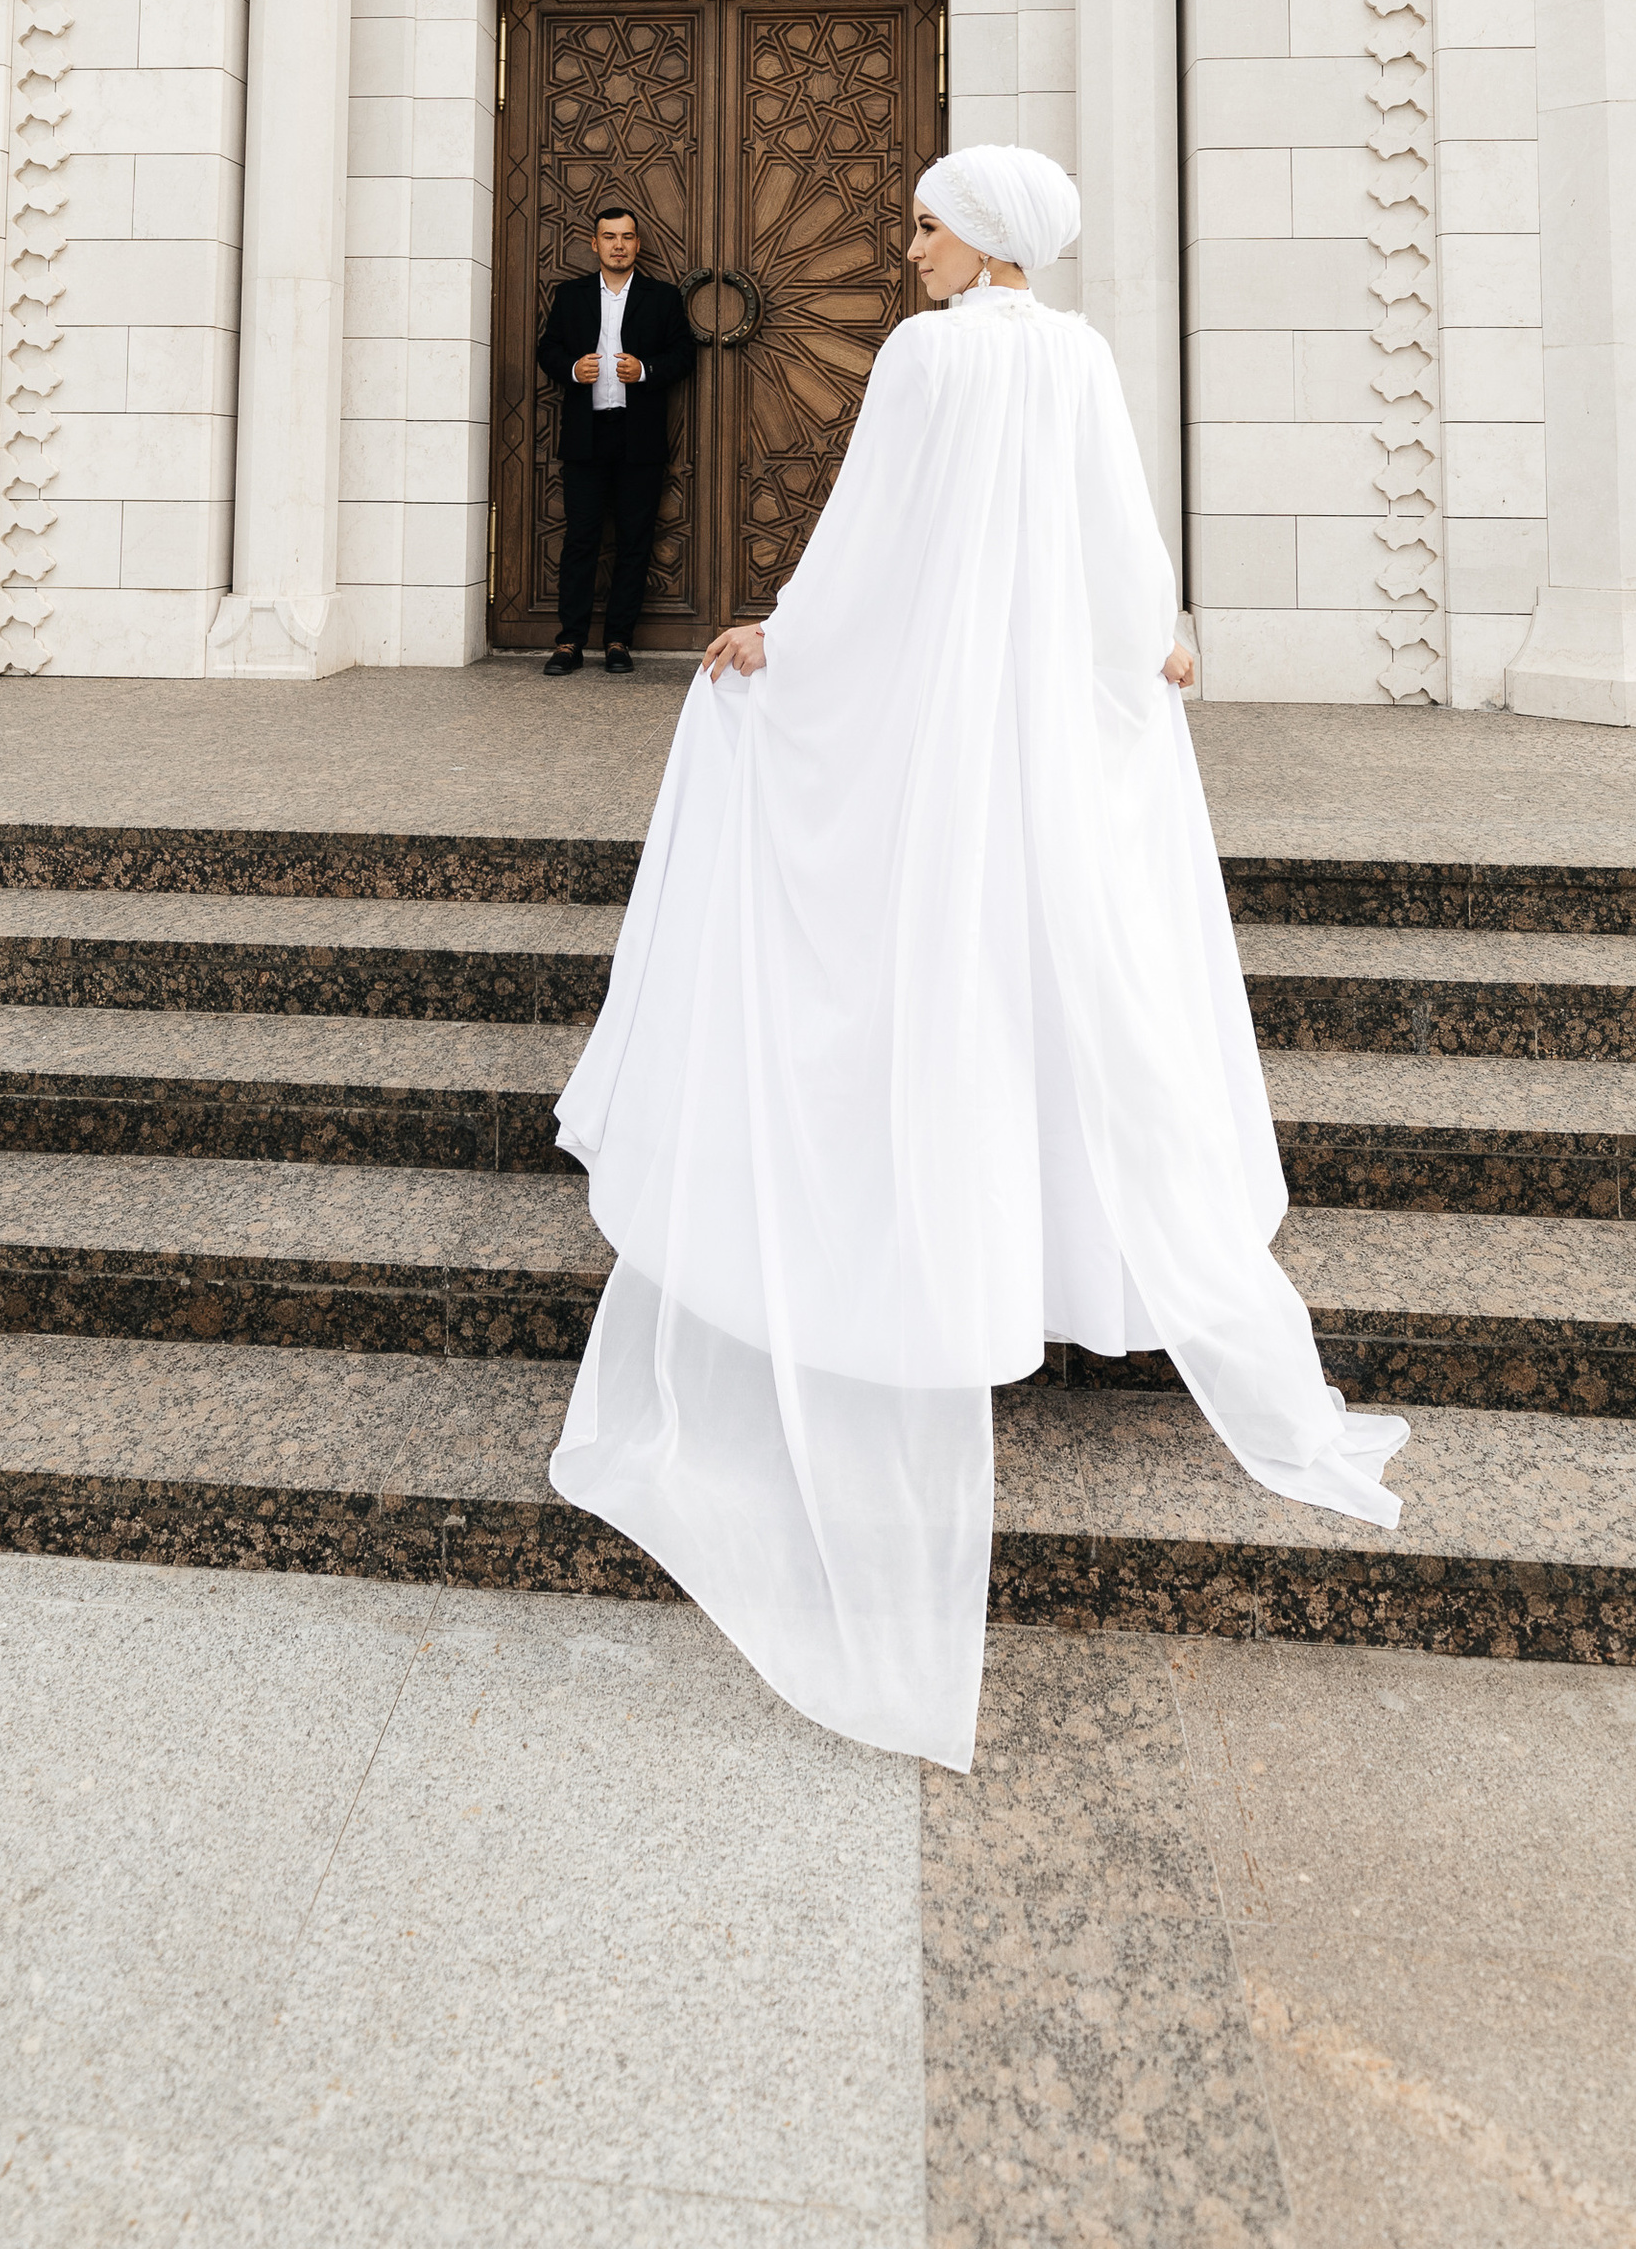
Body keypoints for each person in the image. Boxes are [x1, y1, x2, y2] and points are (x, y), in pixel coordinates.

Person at [548, 143, 1408, 1771]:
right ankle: (1066, 1265)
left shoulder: (936, 357)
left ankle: (934, 1262)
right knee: (1053, 982)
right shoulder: (1074, 357)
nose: (912, 242)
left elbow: (873, 545)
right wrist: (1157, 634)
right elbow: (1118, 539)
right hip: (1042, 734)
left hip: (947, 727)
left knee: (926, 965)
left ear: (988, 233)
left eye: (931, 222)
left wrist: (775, 642)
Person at [533, 205, 698, 677]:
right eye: (610, 237)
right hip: (585, 435)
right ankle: (569, 642)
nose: (619, 245)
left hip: (639, 435)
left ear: (638, 245)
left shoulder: (662, 297)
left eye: (627, 237)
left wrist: (644, 370)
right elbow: (548, 348)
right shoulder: (570, 296)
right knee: (580, 540)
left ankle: (619, 641)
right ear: (595, 243)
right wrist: (571, 369)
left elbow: (683, 353)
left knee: (633, 542)